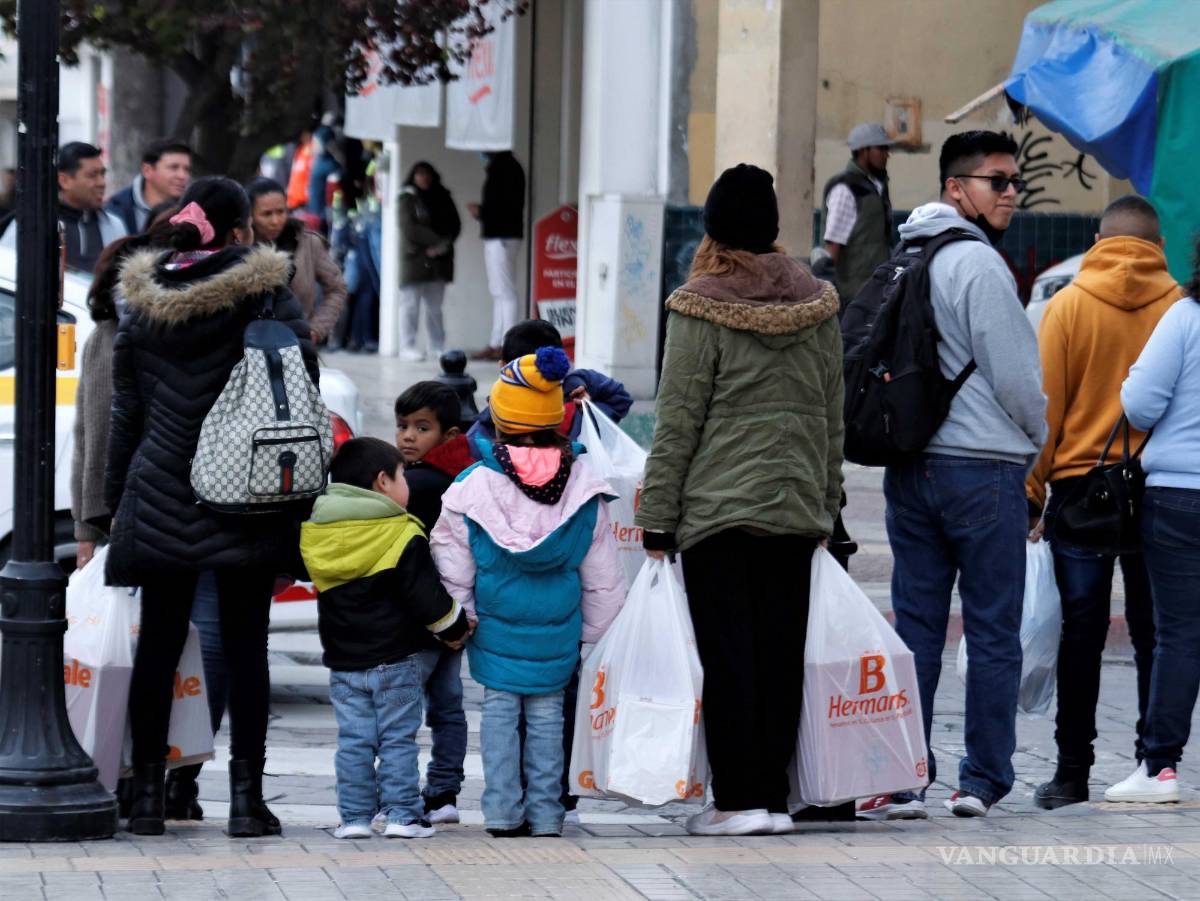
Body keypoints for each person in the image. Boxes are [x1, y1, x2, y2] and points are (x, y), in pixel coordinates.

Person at [634, 164, 844, 837]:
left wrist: (657, 517)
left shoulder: (698, 305)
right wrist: (827, 502)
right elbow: (831, 416)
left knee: (730, 658)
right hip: (795, 509)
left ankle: (738, 798)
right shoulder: (817, 302)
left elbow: (677, 421)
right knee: (781, 655)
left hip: (718, 512)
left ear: (713, 227)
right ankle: (774, 800)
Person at [105, 176, 319, 837]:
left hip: (163, 489)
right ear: (237, 232)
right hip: (246, 492)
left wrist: (119, 504)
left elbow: (126, 413)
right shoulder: (265, 294)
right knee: (247, 647)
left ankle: (145, 796)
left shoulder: (145, 303)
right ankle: (248, 802)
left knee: (159, 646)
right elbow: (301, 385)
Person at [870, 131, 1045, 821]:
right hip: (984, 471)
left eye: (1013, 181)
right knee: (993, 628)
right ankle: (981, 778)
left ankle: (907, 775)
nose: (1009, 192)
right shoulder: (979, 266)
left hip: (912, 467)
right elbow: (1017, 379)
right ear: (955, 189)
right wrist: (1038, 441)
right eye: (995, 180)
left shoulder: (906, 255)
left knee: (916, 625)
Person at [430, 348, 625, 837]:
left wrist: (461, 616)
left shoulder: (473, 486)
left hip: (495, 627)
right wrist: (599, 634)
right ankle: (546, 814)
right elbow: (602, 571)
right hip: (558, 633)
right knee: (547, 721)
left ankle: (500, 813)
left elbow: (453, 561)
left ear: (498, 416)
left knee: (498, 719)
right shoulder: (582, 482)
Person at [1028, 196, 1182, 810]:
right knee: (1154, 634)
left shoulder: (1066, 305)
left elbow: (1047, 411)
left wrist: (1033, 490)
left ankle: (1071, 773)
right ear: (1158, 245)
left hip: (1078, 490)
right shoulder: (1179, 308)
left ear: (1098, 240)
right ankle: (1153, 763)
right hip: (1157, 489)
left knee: (1080, 635)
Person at [300, 437, 469, 838]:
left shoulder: (317, 532)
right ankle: (402, 816)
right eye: (402, 477)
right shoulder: (400, 533)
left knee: (355, 740)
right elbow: (427, 598)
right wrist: (457, 628)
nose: (406, 485)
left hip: (343, 661)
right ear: (382, 482)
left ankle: (355, 818)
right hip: (396, 658)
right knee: (396, 738)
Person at [1106, 245, 1200, 804]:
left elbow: (1139, 406)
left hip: (1180, 497)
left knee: (1181, 633)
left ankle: (1159, 767)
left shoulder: (1185, 317)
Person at [394, 382, 475, 825]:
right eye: (403, 426)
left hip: (419, 617)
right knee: (447, 704)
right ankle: (444, 793)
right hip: (456, 616)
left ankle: (404, 794)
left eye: (421, 428)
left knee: (402, 709)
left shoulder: (415, 485)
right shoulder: (465, 475)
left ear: (449, 435)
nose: (407, 436)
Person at [468, 319, 633, 449]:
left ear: (503, 366)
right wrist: (576, 379)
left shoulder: (484, 431)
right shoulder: (580, 414)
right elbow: (619, 399)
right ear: (558, 364)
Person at [247, 177, 347, 343]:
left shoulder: (306, 243)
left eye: (281, 212)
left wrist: (315, 329)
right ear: (250, 216)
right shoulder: (240, 246)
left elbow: (337, 288)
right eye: (266, 214)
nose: (275, 221)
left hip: (297, 349)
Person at [822, 122, 894, 306]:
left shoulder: (876, 185)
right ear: (864, 151)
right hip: (852, 295)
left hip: (875, 289)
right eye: (881, 148)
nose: (887, 154)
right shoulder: (845, 189)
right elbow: (833, 245)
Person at [399, 161, 461, 362]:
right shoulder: (407, 198)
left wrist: (442, 246)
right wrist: (435, 242)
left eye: (427, 174)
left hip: (439, 261)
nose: (423, 178)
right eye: (419, 174)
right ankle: (407, 346)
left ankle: (437, 345)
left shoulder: (443, 196)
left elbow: (455, 225)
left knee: (435, 307)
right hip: (415, 260)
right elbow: (410, 229)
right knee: (410, 306)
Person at [468, 151, 526, 360]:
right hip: (501, 235)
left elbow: (502, 206)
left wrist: (481, 213)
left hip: (502, 236)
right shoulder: (506, 167)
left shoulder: (504, 169)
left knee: (505, 291)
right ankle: (496, 342)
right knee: (499, 290)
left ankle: (506, 345)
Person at [53, 142, 127, 271]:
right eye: (92, 175)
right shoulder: (34, 226)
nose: (102, 183)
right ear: (64, 181)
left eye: (102, 174)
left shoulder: (115, 226)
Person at [106, 139, 193, 235]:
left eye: (186, 169)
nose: (182, 176)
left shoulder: (192, 211)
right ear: (147, 170)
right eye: (173, 167)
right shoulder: (114, 210)